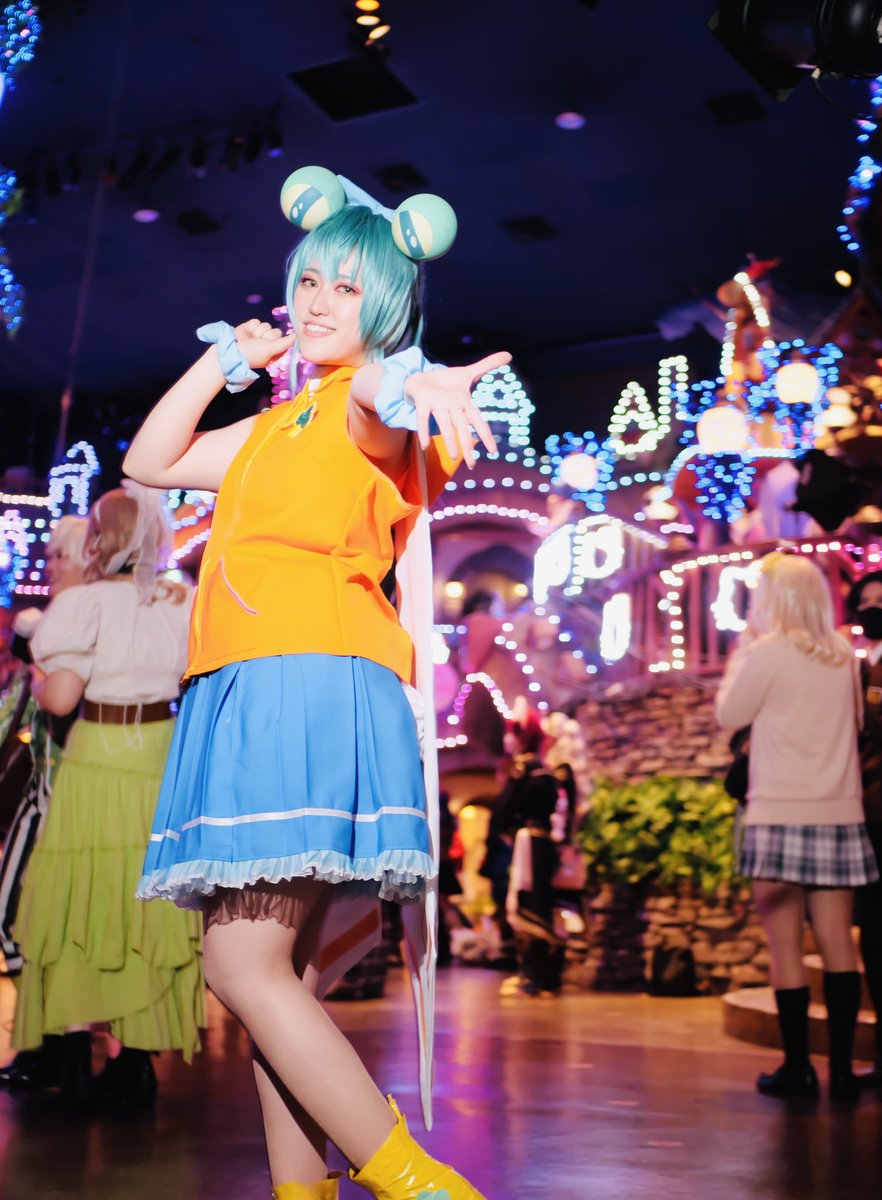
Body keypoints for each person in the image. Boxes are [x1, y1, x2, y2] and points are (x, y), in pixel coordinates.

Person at [124, 167, 506, 1200]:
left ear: (385, 307)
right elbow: (149, 462)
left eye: (347, 286)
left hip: (303, 675)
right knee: (275, 978)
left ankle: (416, 1182)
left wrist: (417, 377)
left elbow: (386, 398)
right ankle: (304, 1191)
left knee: (239, 967)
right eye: (308, 281)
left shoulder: (362, 407)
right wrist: (223, 362)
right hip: (251, 682)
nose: (319, 301)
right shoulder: (278, 424)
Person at [9, 487, 205, 1109]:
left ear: (99, 539)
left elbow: (62, 699)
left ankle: (69, 1049)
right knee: (145, 904)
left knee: (80, 901)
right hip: (160, 757)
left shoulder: (84, 603)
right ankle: (135, 1062)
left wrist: (39, 674)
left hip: (98, 755)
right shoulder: (183, 600)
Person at [716, 552, 877, 1102]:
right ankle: (843, 1071)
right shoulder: (845, 657)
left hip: (779, 809)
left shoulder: (764, 653)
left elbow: (729, 715)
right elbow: (857, 725)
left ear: (772, 598)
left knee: (785, 945)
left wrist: (742, 652)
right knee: (838, 942)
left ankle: (798, 1067)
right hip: (838, 810)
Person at [0, 516, 89, 1091]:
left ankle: (57, 1046)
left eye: (62, 556)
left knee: (23, 915)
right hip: (51, 788)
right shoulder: (67, 617)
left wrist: (36, 665)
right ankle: (54, 1044)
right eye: (51, 555)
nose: (51, 565)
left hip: (66, 795)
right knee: (35, 921)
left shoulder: (82, 618)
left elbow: (59, 698)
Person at [848, 569, 882, 1089]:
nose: (875, 608)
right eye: (867, 600)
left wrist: (866, 713)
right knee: (875, 940)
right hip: (868, 820)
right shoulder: (859, 667)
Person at [501, 769, 565, 997]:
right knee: (540, 909)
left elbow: (505, 810)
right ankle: (542, 976)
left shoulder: (533, 777)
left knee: (531, 907)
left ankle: (536, 977)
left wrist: (515, 780)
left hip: (533, 845)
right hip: (542, 845)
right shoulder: (551, 780)